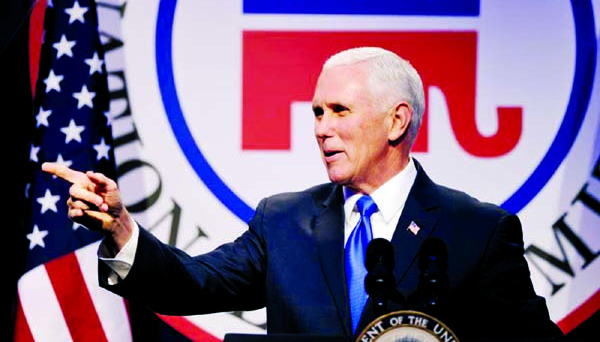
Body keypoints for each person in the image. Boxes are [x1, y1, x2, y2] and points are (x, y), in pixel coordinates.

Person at [43, 47, 564, 340]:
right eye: (317, 112)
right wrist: (122, 230)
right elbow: (193, 285)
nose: (320, 128)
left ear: (396, 121)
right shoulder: (285, 220)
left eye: (339, 111)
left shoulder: (477, 229)